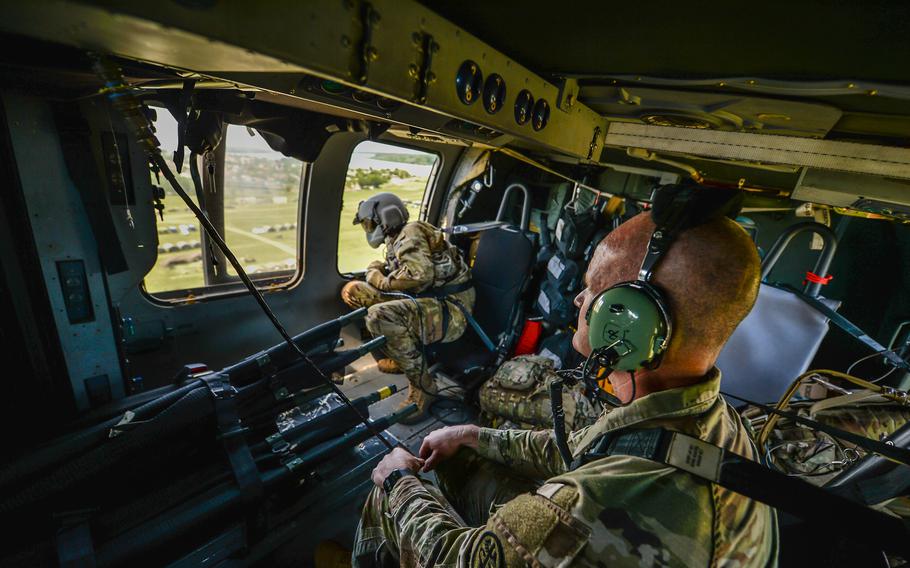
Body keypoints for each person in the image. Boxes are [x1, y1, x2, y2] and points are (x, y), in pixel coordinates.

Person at [353, 209, 779, 567]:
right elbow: (583, 446)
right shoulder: (705, 419)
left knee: (398, 485)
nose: (578, 300)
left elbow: (457, 559)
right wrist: (474, 435)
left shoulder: (597, 501)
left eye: (594, 287)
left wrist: (398, 483)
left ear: (632, 321)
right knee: (455, 461)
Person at [341, 192, 475, 423]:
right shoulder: (399, 238)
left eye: (369, 222)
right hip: (430, 302)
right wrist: (377, 268)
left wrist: (377, 278)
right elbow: (402, 266)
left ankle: (423, 386)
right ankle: (403, 357)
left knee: (378, 316)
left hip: (451, 312)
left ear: (386, 216)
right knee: (354, 290)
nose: (368, 228)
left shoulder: (411, 232)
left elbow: (420, 276)